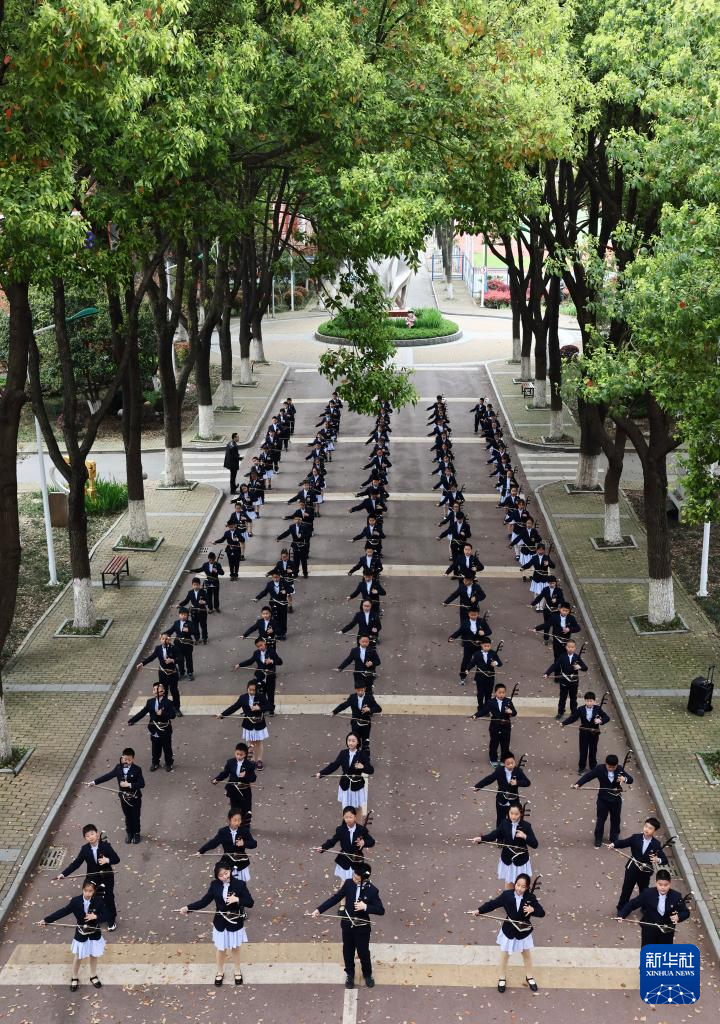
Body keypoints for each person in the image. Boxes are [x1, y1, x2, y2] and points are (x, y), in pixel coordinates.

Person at [311, 862, 384, 989]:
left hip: (362, 928)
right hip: (347, 926)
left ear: (364, 879)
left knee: (363, 953)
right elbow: (335, 898)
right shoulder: (349, 883)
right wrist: (319, 910)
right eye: (354, 876)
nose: (354, 879)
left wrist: (365, 907)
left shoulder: (372, 890)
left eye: (357, 878)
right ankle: (350, 975)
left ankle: (367, 975)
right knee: (348, 952)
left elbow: (381, 910)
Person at [180, 860, 254, 986]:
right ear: (217, 876)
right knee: (221, 949)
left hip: (235, 922)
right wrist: (188, 908)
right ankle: (220, 972)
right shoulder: (215, 885)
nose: (224, 876)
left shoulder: (240, 884)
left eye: (226, 873)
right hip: (220, 923)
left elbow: (250, 902)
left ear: (230, 871)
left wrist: (237, 899)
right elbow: (204, 901)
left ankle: (237, 971)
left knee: (235, 948)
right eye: (221, 875)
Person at [475, 873, 544, 993]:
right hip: (509, 929)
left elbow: (541, 912)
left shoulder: (530, 897)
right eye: (518, 885)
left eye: (523, 887)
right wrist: (479, 910)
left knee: (526, 956)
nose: (519, 889)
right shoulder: (507, 895)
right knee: (505, 955)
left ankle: (529, 977)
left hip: (523, 931)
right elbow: (492, 904)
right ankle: (502, 977)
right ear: (515, 884)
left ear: (527, 887)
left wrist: (532, 910)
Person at [38, 878, 107, 991]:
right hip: (81, 933)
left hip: (94, 932)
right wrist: (46, 920)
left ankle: (93, 975)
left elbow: (107, 915)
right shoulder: (75, 901)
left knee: (94, 955)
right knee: (78, 956)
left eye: (90, 891)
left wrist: (96, 916)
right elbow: (63, 911)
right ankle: (74, 977)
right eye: (86, 891)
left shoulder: (99, 900)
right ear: (82, 889)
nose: (88, 893)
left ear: (94, 891)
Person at [53, 825, 120, 929]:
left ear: (97, 833)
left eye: (92, 834)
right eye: (87, 836)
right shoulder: (85, 849)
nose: (90, 837)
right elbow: (76, 864)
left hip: (107, 876)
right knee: (93, 898)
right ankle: (97, 917)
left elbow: (116, 859)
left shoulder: (106, 846)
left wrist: (107, 860)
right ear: (85, 838)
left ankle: (111, 919)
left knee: (108, 898)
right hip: (92, 877)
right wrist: (63, 874)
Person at [607, 817, 668, 913]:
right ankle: (621, 908)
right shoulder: (635, 837)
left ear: (654, 831)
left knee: (644, 891)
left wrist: (658, 859)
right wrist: (614, 844)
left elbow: (664, 860)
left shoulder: (656, 844)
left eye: (650, 828)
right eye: (646, 826)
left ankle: (644, 907)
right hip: (632, 869)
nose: (647, 829)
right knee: (626, 889)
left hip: (645, 872)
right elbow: (623, 843)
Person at [86, 747, 145, 844]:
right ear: (122, 757)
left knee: (135, 816)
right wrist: (94, 782)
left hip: (135, 798)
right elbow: (107, 776)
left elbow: (142, 784)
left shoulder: (137, 769)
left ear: (133, 759)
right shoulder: (118, 768)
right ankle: (129, 832)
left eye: (129, 760)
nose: (127, 761)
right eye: (125, 759)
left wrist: (129, 785)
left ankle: (136, 833)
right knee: (127, 816)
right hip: (124, 798)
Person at [573, 754, 633, 848]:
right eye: (609, 767)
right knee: (601, 819)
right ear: (606, 764)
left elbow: (631, 780)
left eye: (613, 767)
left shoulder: (620, 769)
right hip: (603, 799)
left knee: (616, 819)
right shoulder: (599, 769)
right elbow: (588, 776)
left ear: (617, 765)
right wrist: (578, 784)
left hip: (616, 799)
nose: (611, 769)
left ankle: (614, 838)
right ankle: (598, 838)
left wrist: (624, 779)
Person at [617, 869, 690, 946]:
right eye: (660, 884)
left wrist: (679, 917)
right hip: (649, 930)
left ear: (670, 884)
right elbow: (633, 903)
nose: (663, 888)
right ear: (656, 883)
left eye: (666, 885)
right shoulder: (648, 893)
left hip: (667, 932)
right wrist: (622, 914)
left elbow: (685, 912)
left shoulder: (676, 896)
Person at [473, 804, 538, 890]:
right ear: (508, 813)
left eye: (516, 814)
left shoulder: (526, 826)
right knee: (508, 886)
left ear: (521, 813)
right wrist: (481, 838)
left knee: (521, 887)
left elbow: (535, 844)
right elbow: (494, 834)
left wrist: (525, 836)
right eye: (511, 813)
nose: (513, 816)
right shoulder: (504, 823)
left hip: (521, 861)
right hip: (508, 860)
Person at [216, 681, 270, 770]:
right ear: (247, 688)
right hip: (248, 723)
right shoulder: (243, 698)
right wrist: (222, 714)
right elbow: (234, 707)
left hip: (259, 722)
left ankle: (259, 760)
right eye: (250, 689)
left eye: (253, 690)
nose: (251, 692)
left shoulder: (261, 696)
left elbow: (269, 706)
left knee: (259, 742)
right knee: (250, 743)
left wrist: (260, 708)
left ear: (256, 690)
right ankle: (252, 759)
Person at [316, 806, 376, 882]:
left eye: (350, 817)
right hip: (344, 860)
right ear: (343, 817)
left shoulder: (361, 829)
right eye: (346, 817)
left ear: (355, 817)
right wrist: (322, 848)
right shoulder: (341, 830)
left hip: (357, 861)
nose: (348, 819)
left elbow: (372, 842)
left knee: (356, 882)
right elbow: (332, 841)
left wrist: (364, 842)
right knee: (344, 882)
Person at [127, 681, 177, 771]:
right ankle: (155, 762)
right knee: (155, 748)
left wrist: (163, 713)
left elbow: (173, 715)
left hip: (165, 729)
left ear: (163, 691)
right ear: (153, 692)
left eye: (160, 691)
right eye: (155, 691)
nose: (157, 693)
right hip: (154, 729)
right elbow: (143, 712)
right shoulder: (150, 702)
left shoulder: (169, 702)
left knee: (167, 748)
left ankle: (169, 763)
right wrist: (132, 720)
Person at [315, 733, 373, 810]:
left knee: (357, 809)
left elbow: (371, 770)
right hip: (345, 784)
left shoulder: (362, 754)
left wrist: (363, 767)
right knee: (346, 809)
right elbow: (334, 765)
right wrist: (321, 773)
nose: (351, 743)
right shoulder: (343, 753)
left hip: (357, 786)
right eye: (349, 740)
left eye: (353, 741)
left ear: (358, 742)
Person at [198, 809, 257, 882]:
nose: (237, 822)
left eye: (239, 820)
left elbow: (254, 844)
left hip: (241, 862)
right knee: (225, 881)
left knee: (240, 885)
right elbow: (213, 843)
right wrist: (201, 851)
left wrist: (244, 843)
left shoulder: (244, 831)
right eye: (235, 820)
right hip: (227, 860)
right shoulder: (223, 832)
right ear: (229, 820)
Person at [474, 752, 530, 827]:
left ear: (514, 761)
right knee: (500, 820)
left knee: (515, 820)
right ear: (504, 764)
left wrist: (517, 782)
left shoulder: (518, 771)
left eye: (512, 763)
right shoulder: (499, 771)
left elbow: (527, 782)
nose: (511, 765)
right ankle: (500, 834)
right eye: (508, 763)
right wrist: (478, 786)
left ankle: (513, 833)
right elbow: (489, 779)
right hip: (501, 800)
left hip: (514, 801)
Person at [561, 691, 610, 772]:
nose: (589, 703)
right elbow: (573, 718)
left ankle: (593, 766)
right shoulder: (580, 709)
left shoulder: (598, 709)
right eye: (587, 701)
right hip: (583, 733)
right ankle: (581, 767)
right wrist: (564, 723)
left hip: (594, 733)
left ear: (594, 701)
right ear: (585, 701)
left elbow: (607, 718)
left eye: (591, 701)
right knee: (583, 750)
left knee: (593, 750)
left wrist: (600, 721)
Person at [136, 633, 182, 714]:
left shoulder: (174, 648)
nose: (164, 640)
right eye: (162, 639)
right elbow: (151, 657)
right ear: (160, 640)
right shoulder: (158, 648)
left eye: (166, 638)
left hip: (172, 673)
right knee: (163, 692)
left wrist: (172, 660)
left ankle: (176, 708)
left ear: (169, 639)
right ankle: (165, 708)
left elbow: (181, 659)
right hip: (162, 673)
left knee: (174, 691)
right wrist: (142, 663)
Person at [331, 682, 382, 754]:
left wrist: (369, 709)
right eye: (358, 690)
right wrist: (334, 712)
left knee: (365, 744)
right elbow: (344, 705)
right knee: (356, 742)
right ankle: (356, 757)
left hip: (366, 723)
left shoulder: (369, 697)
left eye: (362, 690)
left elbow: (379, 708)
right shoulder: (352, 697)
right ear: (355, 690)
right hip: (355, 723)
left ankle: (365, 758)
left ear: (365, 689)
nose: (360, 692)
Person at [473, 682, 517, 765]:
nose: (501, 694)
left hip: (506, 726)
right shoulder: (491, 702)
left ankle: (504, 759)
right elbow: (484, 710)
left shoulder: (508, 701)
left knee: (505, 744)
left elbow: (515, 712)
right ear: (495, 692)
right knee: (494, 744)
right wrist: (475, 715)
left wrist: (511, 711)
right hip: (495, 726)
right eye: (499, 692)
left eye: (503, 693)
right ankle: (493, 759)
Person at [543, 638, 588, 720]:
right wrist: (547, 673)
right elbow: (555, 665)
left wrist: (580, 667)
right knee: (562, 697)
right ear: (566, 647)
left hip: (574, 681)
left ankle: (574, 712)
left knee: (573, 698)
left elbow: (585, 668)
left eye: (572, 647)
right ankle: (560, 712)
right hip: (564, 680)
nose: (570, 649)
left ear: (575, 648)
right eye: (569, 647)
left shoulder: (577, 657)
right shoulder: (562, 656)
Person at [212, 743, 257, 820]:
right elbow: (225, 773)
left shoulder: (249, 765)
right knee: (234, 809)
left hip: (244, 791)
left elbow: (253, 778)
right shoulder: (230, 762)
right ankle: (236, 823)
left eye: (241, 755)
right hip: (233, 790)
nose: (238, 756)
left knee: (246, 809)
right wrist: (217, 779)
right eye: (237, 754)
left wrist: (245, 775)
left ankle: (245, 823)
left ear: (245, 754)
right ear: (235, 752)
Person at [164, 607, 199, 681]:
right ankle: (182, 672)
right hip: (178, 645)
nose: (183, 616)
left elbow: (195, 632)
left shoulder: (190, 623)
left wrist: (188, 631)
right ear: (179, 615)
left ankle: (190, 672)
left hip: (187, 645)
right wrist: (164, 634)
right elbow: (171, 630)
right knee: (180, 659)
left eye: (185, 615)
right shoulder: (176, 623)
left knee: (188, 659)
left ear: (187, 615)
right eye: (182, 614)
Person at [179, 577, 209, 643]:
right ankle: (197, 638)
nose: (195, 586)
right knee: (195, 626)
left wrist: (204, 602)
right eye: (194, 585)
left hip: (202, 611)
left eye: (197, 585)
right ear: (192, 585)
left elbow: (208, 600)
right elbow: (186, 600)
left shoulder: (203, 592)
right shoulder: (190, 593)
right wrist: (180, 604)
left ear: (199, 585)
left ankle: (204, 638)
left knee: (203, 625)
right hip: (194, 612)